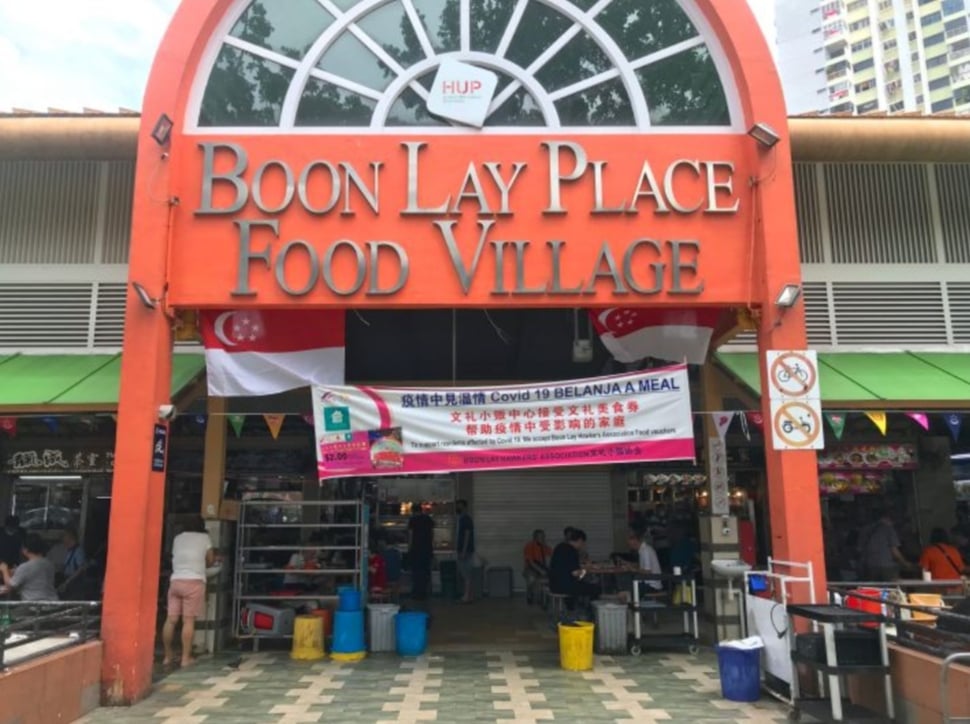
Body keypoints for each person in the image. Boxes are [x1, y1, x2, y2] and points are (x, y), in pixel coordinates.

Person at [162, 517, 215, 668]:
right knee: (188, 621)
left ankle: (167, 656)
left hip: (176, 581)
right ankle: (185, 658)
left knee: (171, 619)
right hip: (194, 581)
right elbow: (210, 560)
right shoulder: (205, 538)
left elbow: (176, 557)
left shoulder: (178, 538)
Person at [549, 528, 599, 607]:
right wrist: (586, 569)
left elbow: (566, 568)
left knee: (581, 584)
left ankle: (572, 607)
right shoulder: (572, 551)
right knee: (596, 588)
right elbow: (576, 574)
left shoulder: (560, 547)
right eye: (583, 543)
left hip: (553, 585)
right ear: (580, 540)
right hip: (565, 587)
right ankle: (590, 611)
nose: (583, 545)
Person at [0, 534, 58, 601]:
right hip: (52, 602)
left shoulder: (25, 567)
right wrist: (15, 571)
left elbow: (10, 585)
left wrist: (4, 570)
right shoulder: (49, 564)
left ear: (26, 550)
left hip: (34, 604)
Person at [860, 507, 912, 581]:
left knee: (873, 587)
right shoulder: (888, 529)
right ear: (886, 517)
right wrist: (905, 563)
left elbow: (860, 549)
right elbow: (895, 551)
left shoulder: (865, 530)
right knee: (892, 586)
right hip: (887, 566)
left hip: (870, 566)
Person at [408, 506, 434, 601]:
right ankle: (424, 593)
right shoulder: (428, 519)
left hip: (416, 549)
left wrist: (409, 548)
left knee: (416, 572)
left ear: (413, 511)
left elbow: (410, 535)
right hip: (427, 549)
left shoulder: (412, 520)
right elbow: (432, 533)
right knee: (425, 571)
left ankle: (416, 593)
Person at [57, 528, 90, 599]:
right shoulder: (70, 551)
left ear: (70, 537)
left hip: (75, 584)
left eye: (64, 536)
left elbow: (81, 569)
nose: (62, 539)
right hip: (69, 582)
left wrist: (67, 582)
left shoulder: (78, 551)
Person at [523, 529, 552, 605]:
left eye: (543, 536)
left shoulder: (546, 547)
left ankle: (545, 596)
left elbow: (551, 558)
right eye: (540, 537)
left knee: (549, 578)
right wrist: (540, 571)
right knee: (531, 579)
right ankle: (530, 593)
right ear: (535, 537)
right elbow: (530, 562)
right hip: (531, 568)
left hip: (543, 567)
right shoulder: (529, 546)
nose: (542, 538)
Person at [456, 499, 476, 603]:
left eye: (459, 506)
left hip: (465, 550)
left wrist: (463, 550)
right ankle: (470, 595)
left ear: (464, 507)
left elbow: (467, 535)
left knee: (466, 573)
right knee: (466, 573)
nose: (458, 508)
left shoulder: (466, 519)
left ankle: (467, 596)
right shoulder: (462, 519)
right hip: (465, 550)